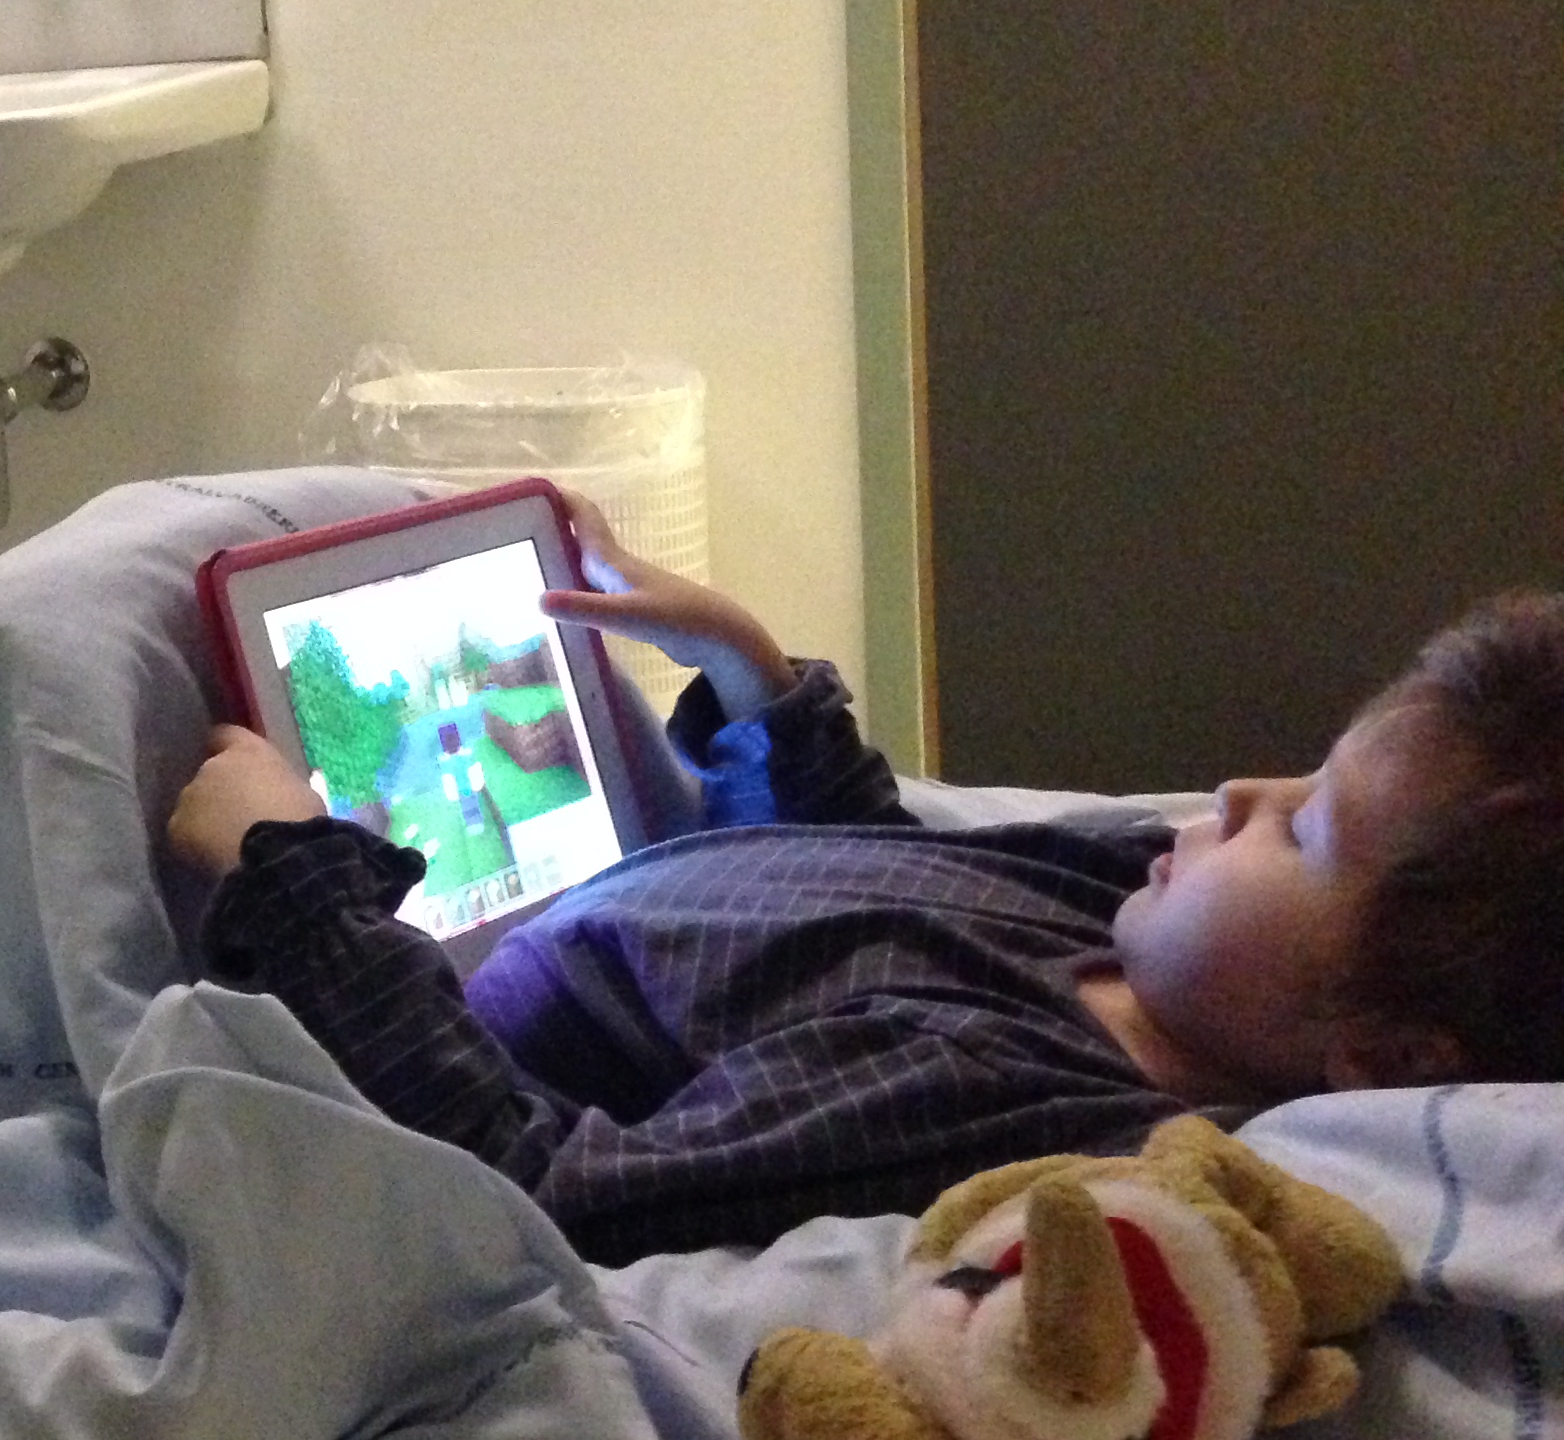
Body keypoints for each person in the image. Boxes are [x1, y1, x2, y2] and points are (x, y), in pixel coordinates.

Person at [168, 495, 1564, 1264]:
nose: (1242, 796)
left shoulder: (973, 1096)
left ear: (1382, 1058)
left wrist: (301, 890)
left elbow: (536, 1189)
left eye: (1304, 834)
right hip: (588, 907)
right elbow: (878, 885)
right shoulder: (1139, 924)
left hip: (411, 1025)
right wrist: (757, 689)